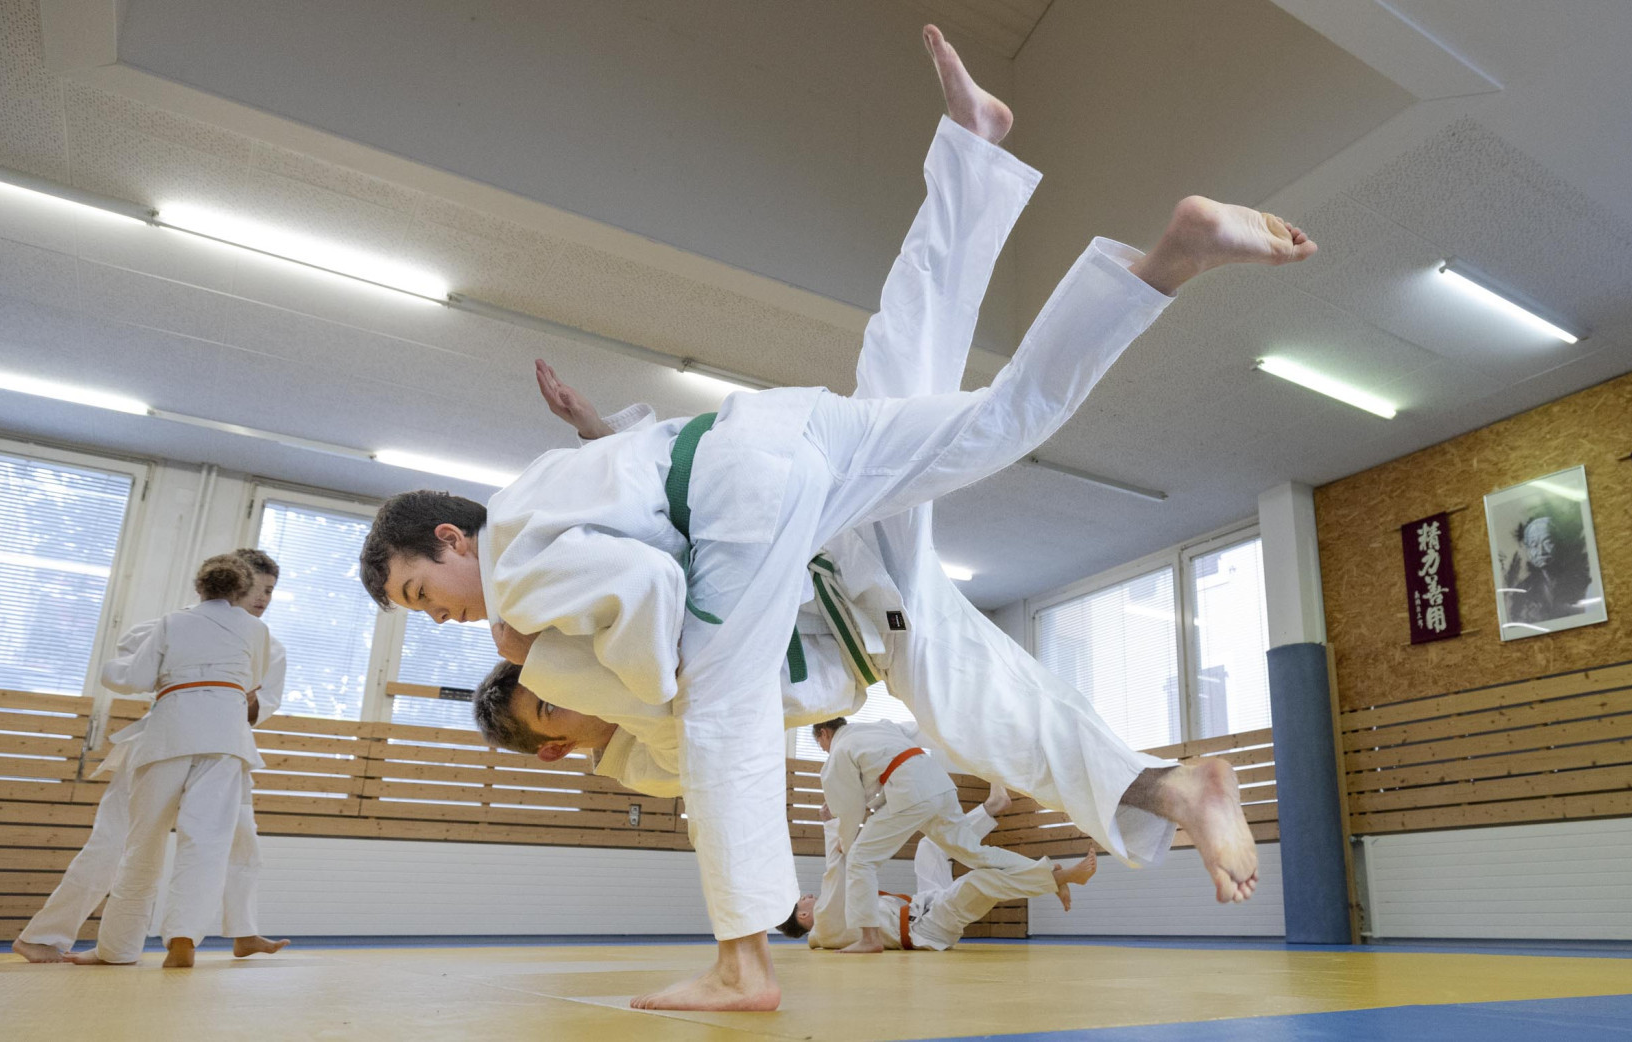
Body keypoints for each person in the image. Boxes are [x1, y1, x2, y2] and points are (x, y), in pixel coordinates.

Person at [364, 25, 1312, 1010]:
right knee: (953, 444)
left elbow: (655, 591)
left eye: (420, 594)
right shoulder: (574, 625)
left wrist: (568, 649)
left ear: (451, 539)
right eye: (550, 718)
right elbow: (643, 508)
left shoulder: (522, 585)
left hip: (770, 506)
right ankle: (1015, 177)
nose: (443, 618)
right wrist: (597, 440)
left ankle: (743, 963)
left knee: (722, 692)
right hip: (851, 558)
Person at [13, 549, 290, 964]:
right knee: (115, 842)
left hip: (225, 743)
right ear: (234, 582)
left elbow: (261, 704)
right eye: (255, 586)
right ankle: (46, 936)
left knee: (238, 841)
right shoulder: (178, 620)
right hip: (162, 740)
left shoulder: (266, 641)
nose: (262, 597)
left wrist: (226, 691)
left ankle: (240, 932)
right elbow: (136, 654)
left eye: (270, 591)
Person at [812, 717, 1049, 953]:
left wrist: (844, 841)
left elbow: (849, 810)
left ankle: (869, 938)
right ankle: (1045, 872)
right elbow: (924, 728)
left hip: (910, 791)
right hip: (939, 783)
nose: (824, 750)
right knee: (975, 853)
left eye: (821, 745)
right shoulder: (881, 727)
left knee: (860, 859)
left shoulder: (838, 752)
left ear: (824, 733)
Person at [782, 781, 1099, 950]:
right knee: (978, 881)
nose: (808, 895)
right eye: (803, 900)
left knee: (928, 847)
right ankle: (1057, 878)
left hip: (923, 904)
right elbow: (834, 873)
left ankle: (992, 809)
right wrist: (830, 825)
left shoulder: (830, 922)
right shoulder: (824, 924)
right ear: (805, 915)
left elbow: (842, 876)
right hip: (927, 930)